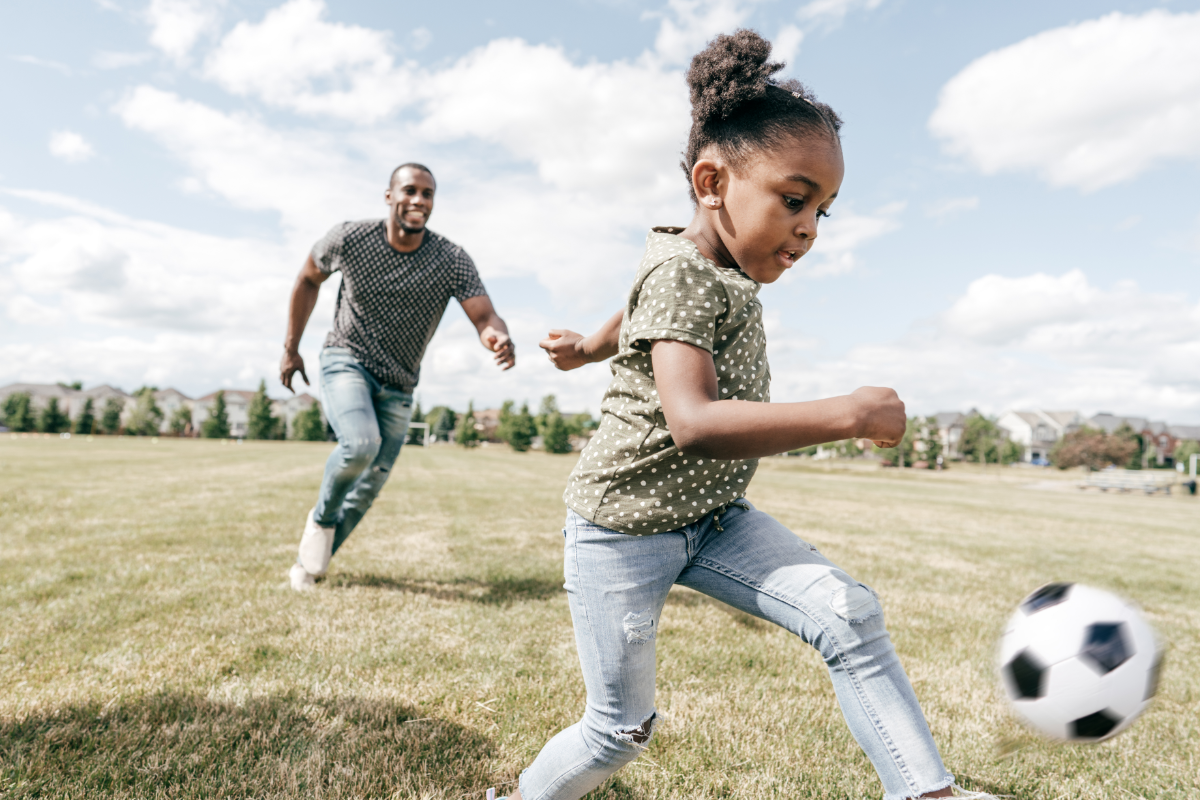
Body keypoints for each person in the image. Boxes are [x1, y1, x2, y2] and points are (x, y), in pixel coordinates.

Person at [494, 31, 997, 800]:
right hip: (622, 532)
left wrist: (587, 347)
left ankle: (927, 793)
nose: (808, 229)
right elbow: (693, 419)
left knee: (849, 614)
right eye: (795, 200)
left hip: (713, 516)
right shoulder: (685, 274)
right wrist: (849, 414)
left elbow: (634, 310)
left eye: (824, 212)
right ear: (711, 181)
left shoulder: (688, 260)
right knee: (618, 730)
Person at [280, 162, 515, 591]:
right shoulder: (350, 238)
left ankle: (310, 564)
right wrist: (290, 348)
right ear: (389, 196)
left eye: (428, 194)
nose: (418, 201)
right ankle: (320, 521)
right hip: (346, 359)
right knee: (359, 444)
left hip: (401, 383)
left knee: (370, 484)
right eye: (409, 191)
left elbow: (483, 314)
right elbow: (306, 279)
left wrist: (496, 335)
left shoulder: (450, 258)